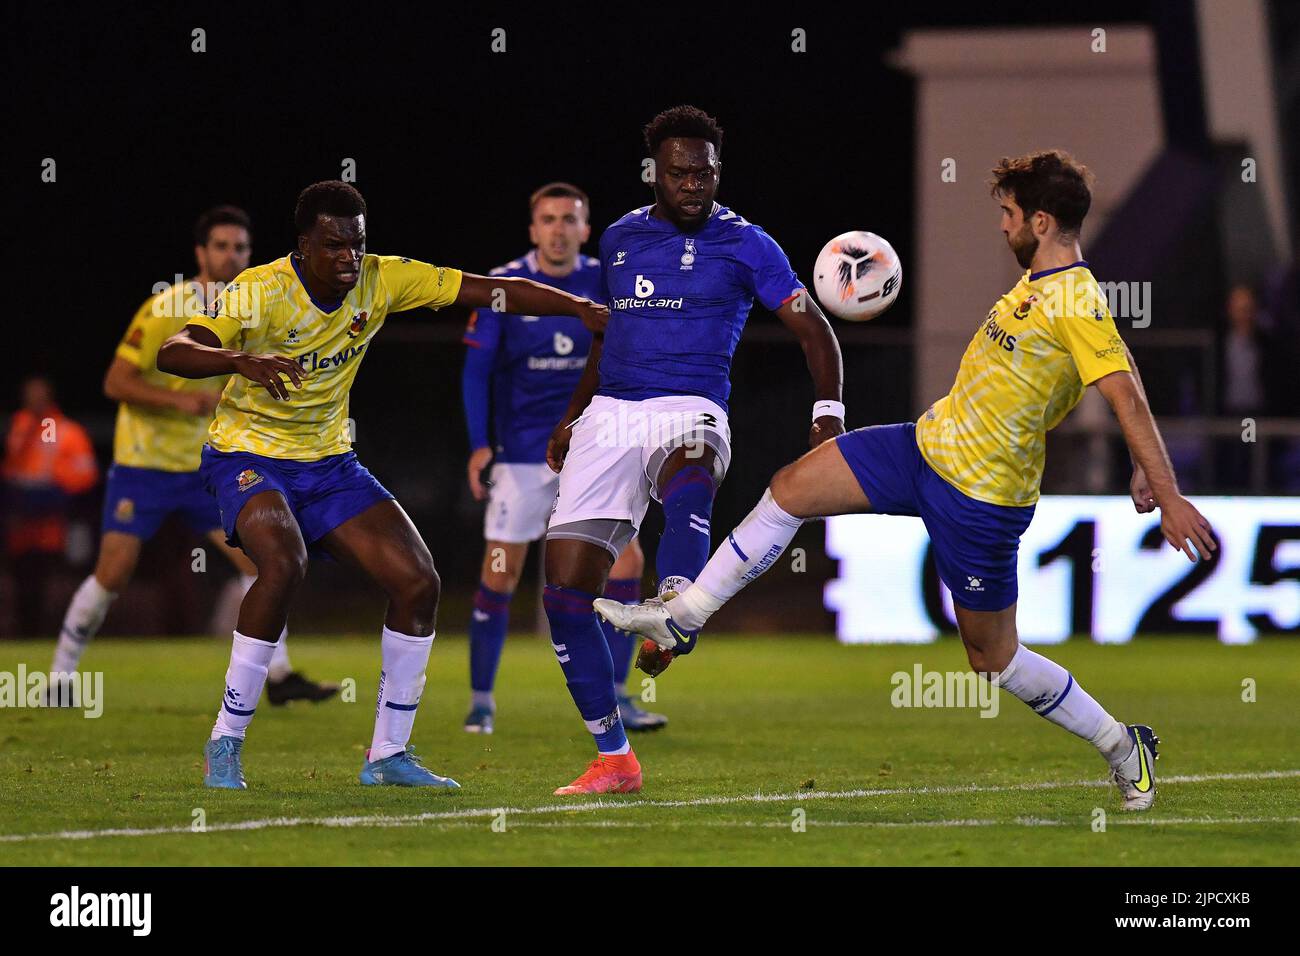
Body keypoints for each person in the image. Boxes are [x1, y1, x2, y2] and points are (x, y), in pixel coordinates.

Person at [597, 150, 1217, 812]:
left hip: (981, 499)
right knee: (788, 491)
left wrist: (1167, 488)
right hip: (922, 447)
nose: (1001, 226)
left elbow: (1124, 392)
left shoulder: (1076, 299)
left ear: (1040, 220)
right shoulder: (1041, 283)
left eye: (1008, 215)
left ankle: (1124, 746)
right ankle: (681, 617)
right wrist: (1144, 470)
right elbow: (1123, 372)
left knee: (994, 660)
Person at [157, 180, 608, 790]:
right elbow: (175, 351)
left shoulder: (383, 278)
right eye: (334, 245)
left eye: (357, 244)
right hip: (248, 454)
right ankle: (225, 742)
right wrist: (242, 360)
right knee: (284, 563)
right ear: (304, 246)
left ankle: (387, 755)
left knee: (419, 582)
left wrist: (575, 306)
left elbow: (493, 291)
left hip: (329, 461)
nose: (349, 257)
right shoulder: (260, 290)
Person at [543, 105, 845, 795]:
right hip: (613, 412)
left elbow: (813, 328)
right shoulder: (618, 239)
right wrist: (572, 416)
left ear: (718, 172)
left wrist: (828, 411)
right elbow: (605, 342)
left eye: (704, 173)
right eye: (679, 173)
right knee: (563, 592)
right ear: (656, 171)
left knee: (693, 472)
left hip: (691, 404)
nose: (692, 185)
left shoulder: (748, 244)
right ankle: (614, 759)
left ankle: (677, 608)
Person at [48, 206, 334, 703]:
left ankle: (281, 677)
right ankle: (59, 678)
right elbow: (116, 381)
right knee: (113, 573)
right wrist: (180, 399)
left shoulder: (251, 309)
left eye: (240, 247)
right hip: (146, 466)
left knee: (265, 563)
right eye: (221, 246)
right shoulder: (167, 307)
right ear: (201, 253)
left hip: (208, 467)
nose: (231, 256)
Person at [461, 183, 661, 735]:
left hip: (595, 452)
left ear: (585, 227)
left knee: (628, 564)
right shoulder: (505, 285)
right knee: (501, 572)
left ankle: (620, 697)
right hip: (524, 457)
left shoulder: (605, 280)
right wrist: (481, 444)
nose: (558, 229)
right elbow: (476, 373)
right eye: (547, 219)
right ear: (533, 229)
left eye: (568, 219)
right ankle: (481, 701)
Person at [2, 377, 99, 636]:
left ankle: (56, 635)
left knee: (52, 582)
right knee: (22, 582)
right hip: (21, 522)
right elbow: (12, 468)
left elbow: (85, 474)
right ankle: (25, 634)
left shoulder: (67, 431)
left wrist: (53, 491)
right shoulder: (18, 426)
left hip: (55, 522)